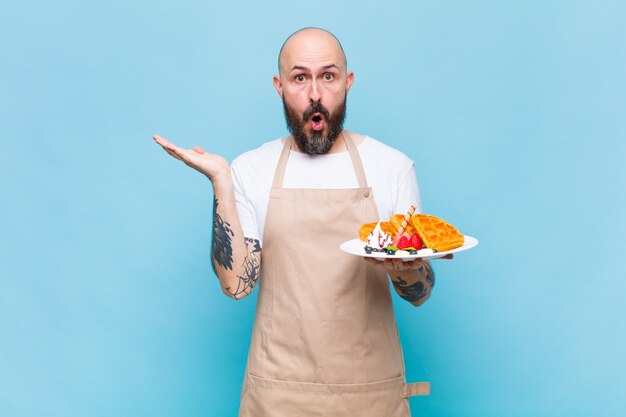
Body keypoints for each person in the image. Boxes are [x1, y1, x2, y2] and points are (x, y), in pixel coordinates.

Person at [154, 27, 450, 417]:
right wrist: (221, 181)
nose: (315, 93)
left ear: (348, 82)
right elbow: (236, 286)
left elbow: (419, 294)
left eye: (328, 76)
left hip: (370, 396)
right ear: (279, 86)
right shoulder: (252, 169)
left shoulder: (391, 167)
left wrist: (405, 269)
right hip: (276, 397)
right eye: (300, 78)